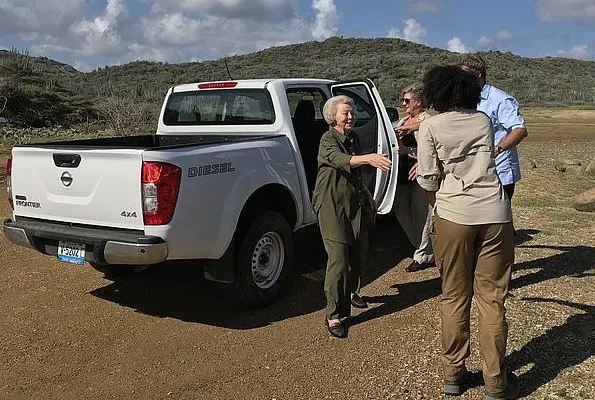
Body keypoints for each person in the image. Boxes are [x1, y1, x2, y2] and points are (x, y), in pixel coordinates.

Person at [416, 66, 518, 400]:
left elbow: (429, 178)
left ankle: (453, 376)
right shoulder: (483, 122)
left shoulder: (430, 125)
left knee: (454, 296)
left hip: (453, 215)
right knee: (492, 300)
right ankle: (496, 382)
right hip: (495, 213)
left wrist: (438, 205)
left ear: (436, 92)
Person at [312, 95, 391, 339]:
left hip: (354, 203)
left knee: (359, 251)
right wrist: (369, 158)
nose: (350, 116)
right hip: (331, 205)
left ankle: (353, 292)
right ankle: (333, 314)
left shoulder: (353, 137)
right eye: (345, 113)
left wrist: (368, 197)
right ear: (332, 116)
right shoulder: (327, 139)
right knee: (338, 259)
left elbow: (355, 174)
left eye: (352, 112)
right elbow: (340, 160)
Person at [459, 54, 528, 228]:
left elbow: (519, 130)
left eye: (463, 74)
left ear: (478, 74)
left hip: (499, 170)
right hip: (474, 170)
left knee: (499, 221)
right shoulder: (465, 99)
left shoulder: (500, 99)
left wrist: (498, 148)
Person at [393, 84, 435, 272]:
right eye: (403, 100)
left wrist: (408, 151)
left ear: (419, 101)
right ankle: (423, 247)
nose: (404, 104)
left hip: (421, 173)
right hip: (401, 173)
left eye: (407, 100)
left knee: (422, 214)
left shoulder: (428, 121)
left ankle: (422, 255)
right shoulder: (402, 121)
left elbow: (433, 149)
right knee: (401, 210)